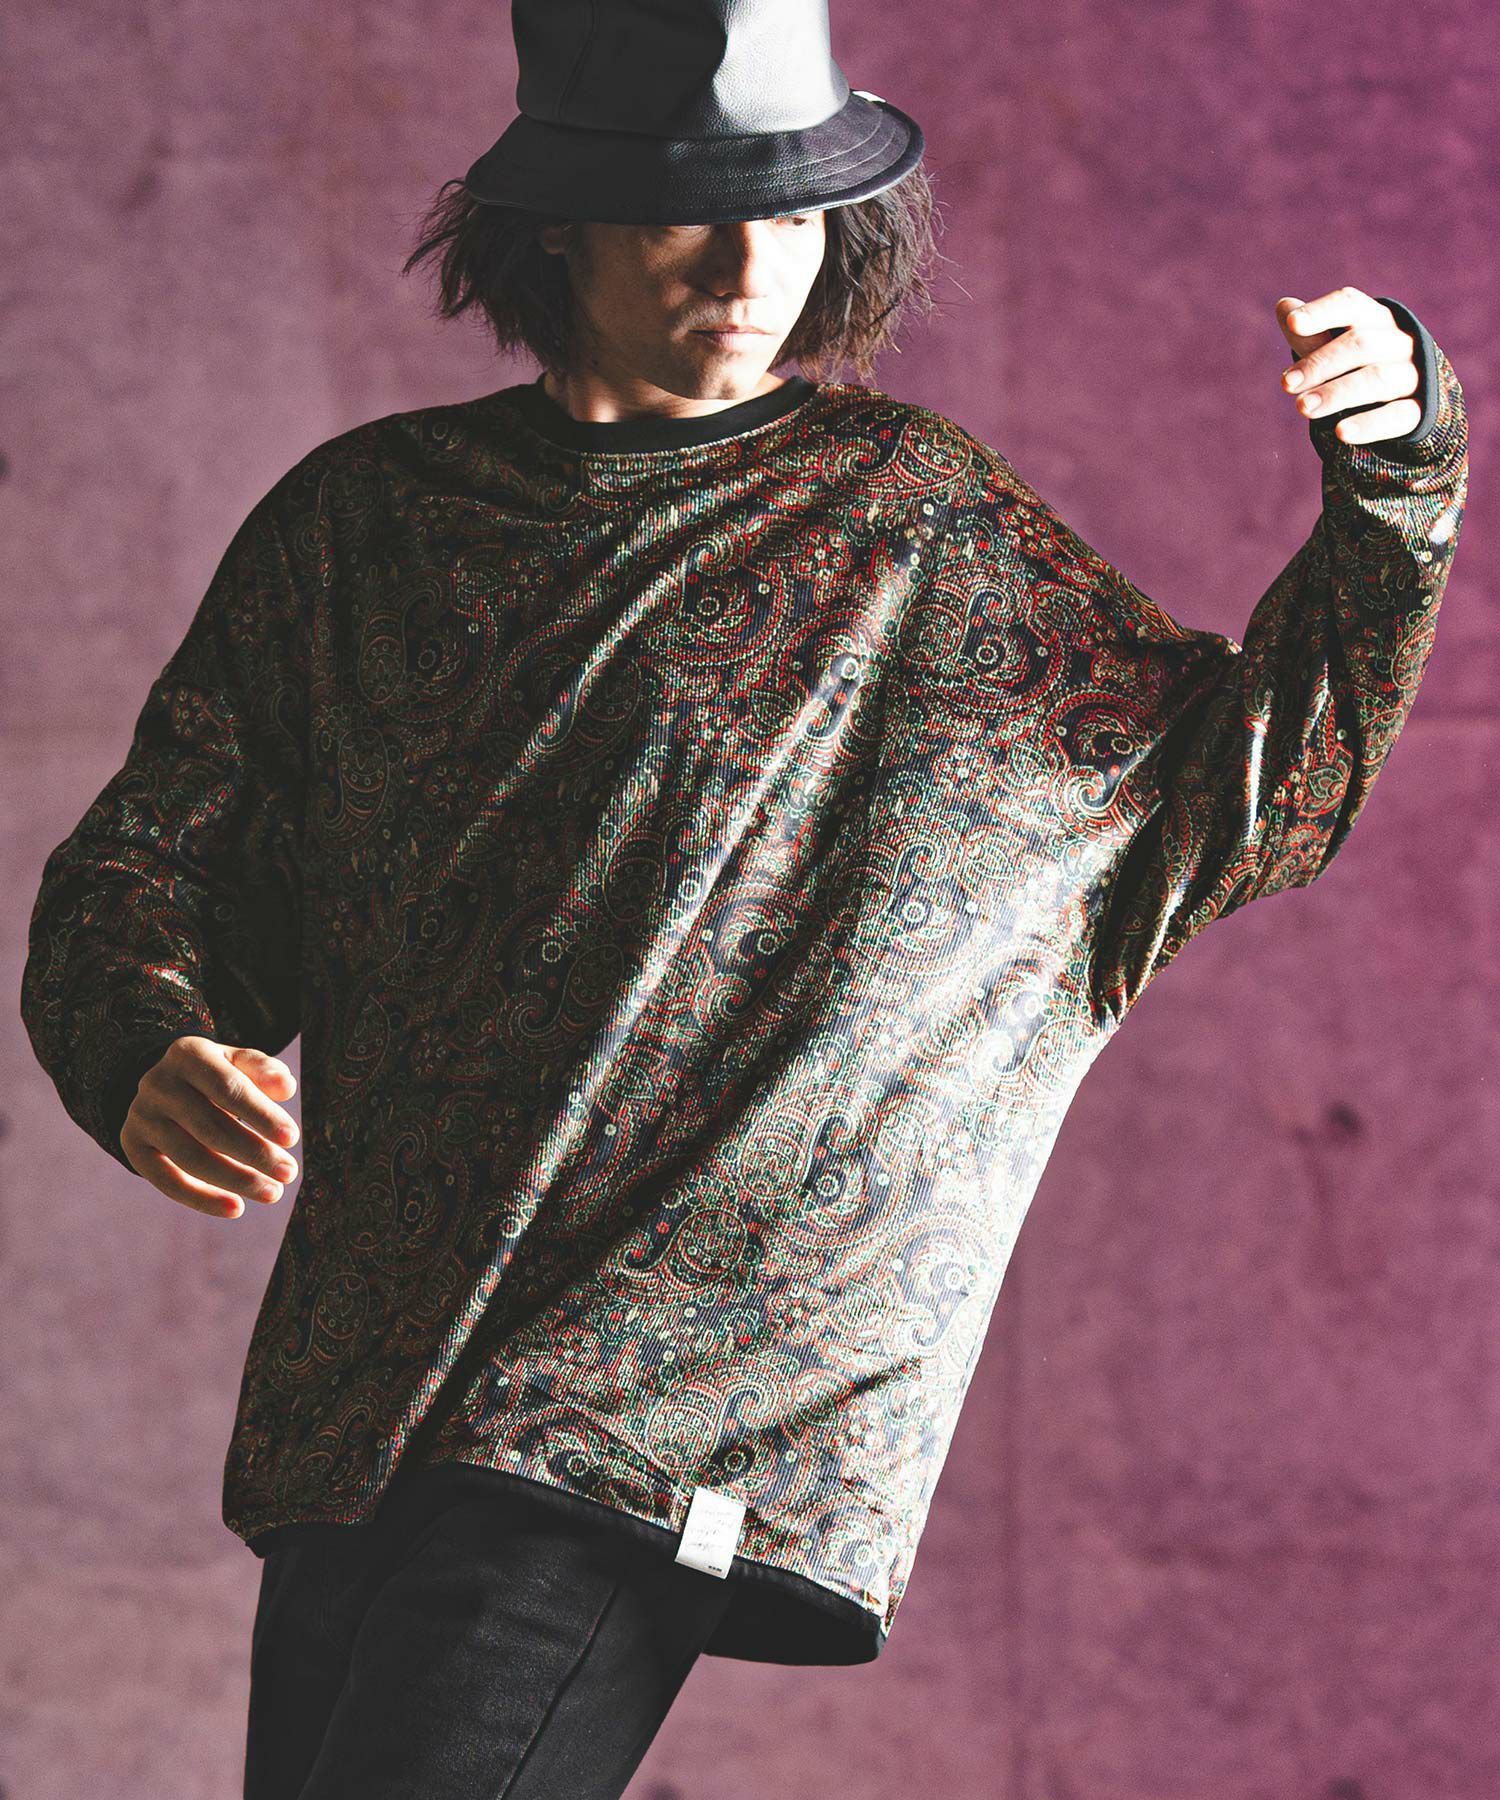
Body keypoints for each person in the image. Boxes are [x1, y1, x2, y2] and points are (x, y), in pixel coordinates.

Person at [18, 0, 1468, 1795]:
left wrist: (1400, 466)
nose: (750, 266)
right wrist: (148, 1046)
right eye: (686, 213)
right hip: (367, 1400)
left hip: (649, 1422)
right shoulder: (361, 529)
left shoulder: (914, 529)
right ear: (558, 221)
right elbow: (152, 870)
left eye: (790, 214)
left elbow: (1249, 790)